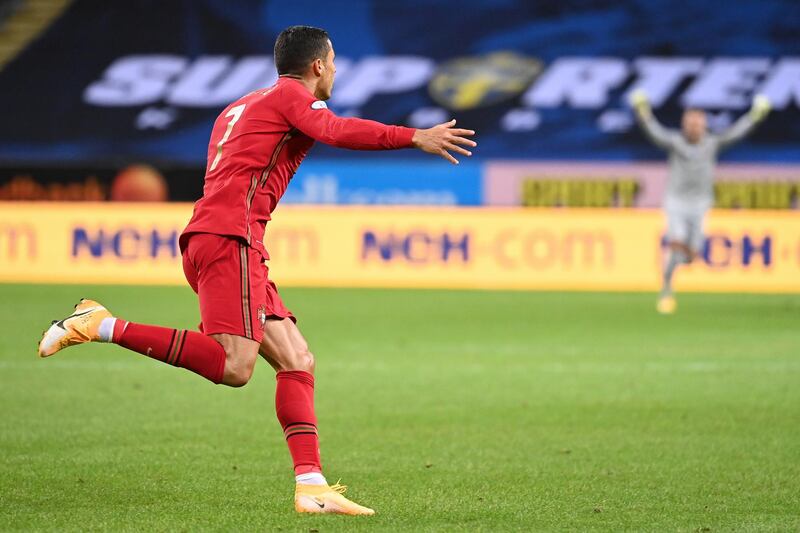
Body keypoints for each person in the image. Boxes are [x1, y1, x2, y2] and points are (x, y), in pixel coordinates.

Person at [37, 25, 476, 515]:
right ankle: (100, 324)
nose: (334, 70)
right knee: (234, 366)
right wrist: (413, 135)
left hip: (222, 238)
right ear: (317, 66)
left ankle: (312, 488)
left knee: (296, 359)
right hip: (231, 241)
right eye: (332, 62)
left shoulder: (239, 106)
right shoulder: (293, 97)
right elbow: (335, 130)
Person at [629, 89, 770, 314]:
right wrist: (642, 111)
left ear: (704, 125)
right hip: (675, 201)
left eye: (698, 123)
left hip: (700, 203)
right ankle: (666, 289)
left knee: (693, 253)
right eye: (690, 123)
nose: (694, 127)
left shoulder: (711, 144)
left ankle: (679, 257)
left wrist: (755, 115)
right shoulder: (675, 142)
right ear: (684, 124)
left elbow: (736, 133)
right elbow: (654, 132)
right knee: (676, 241)